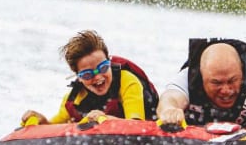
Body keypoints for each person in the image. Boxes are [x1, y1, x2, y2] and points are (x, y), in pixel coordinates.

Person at [21, 30, 158, 124]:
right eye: (87, 74)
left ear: (109, 62)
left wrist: (106, 119)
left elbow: (135, 125)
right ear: (78, 77)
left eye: (103, 67)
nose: (98, 77)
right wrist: (42, 121)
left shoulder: (128, 82)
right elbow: (55, 129)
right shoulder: (74, 99)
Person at [157, 38, 246, 129]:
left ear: (242, 73)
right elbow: (170, 97)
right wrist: (170, 110)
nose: (226, 90)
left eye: (232, 80)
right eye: (216, 83)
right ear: (202, 76)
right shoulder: (189, 75)